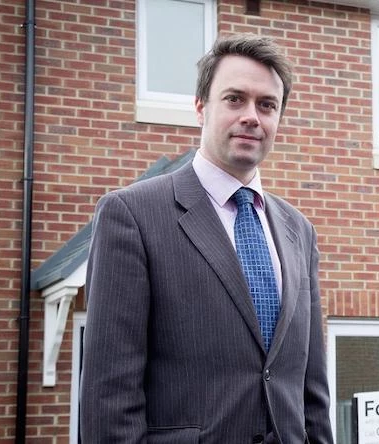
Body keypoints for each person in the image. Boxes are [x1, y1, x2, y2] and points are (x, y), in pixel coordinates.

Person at [80, 34, 333, 444]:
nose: (252, 115)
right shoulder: (132, 215)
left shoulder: (298, 230)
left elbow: (311, 388)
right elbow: (109, 396)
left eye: (267, 105)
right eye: (235, 99)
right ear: (201, 107)